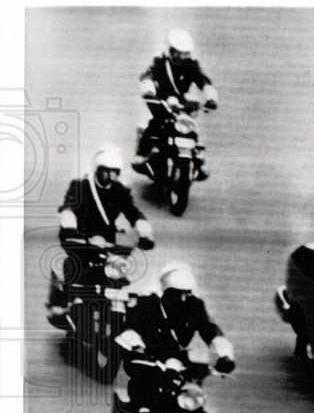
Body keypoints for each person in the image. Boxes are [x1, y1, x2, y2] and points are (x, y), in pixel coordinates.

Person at [111, 261, 235, 413]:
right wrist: (137, 348)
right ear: (164, 291)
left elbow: (210, 329)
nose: (183, 298)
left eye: (187, 293)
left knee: (193, 397)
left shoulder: (195, 305)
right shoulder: (146, 304)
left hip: (179, 362)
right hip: (148, 358)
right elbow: (129, 327)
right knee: (142, 394)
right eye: (177, 293)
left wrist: (224, 355)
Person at [47, 144, 155, 327]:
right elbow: (69, 207)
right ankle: (62, 304)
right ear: (98, 170)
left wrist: (143, 230)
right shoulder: (81, 186)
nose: (111, 176)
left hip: (107, 240)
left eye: (115, 172)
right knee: (71, 265)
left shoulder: (120, 191)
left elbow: (132, 211)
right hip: (80, 237)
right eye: (106, 171)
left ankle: (120, 308)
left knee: (118, 273)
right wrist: (70, 226)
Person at [133, 29, 217, 181]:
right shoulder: (160, 62)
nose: (179, 56)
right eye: (176, 52)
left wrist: (210, 98)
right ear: (169, 50)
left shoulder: (191, 65)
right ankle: (142, 153)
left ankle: (198, 159)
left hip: (183, 102)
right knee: (156, 123)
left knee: (191, 128)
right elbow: (147, 76)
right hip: (161, 99)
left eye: (183, 53)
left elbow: (203, 80)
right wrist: (149, 91)